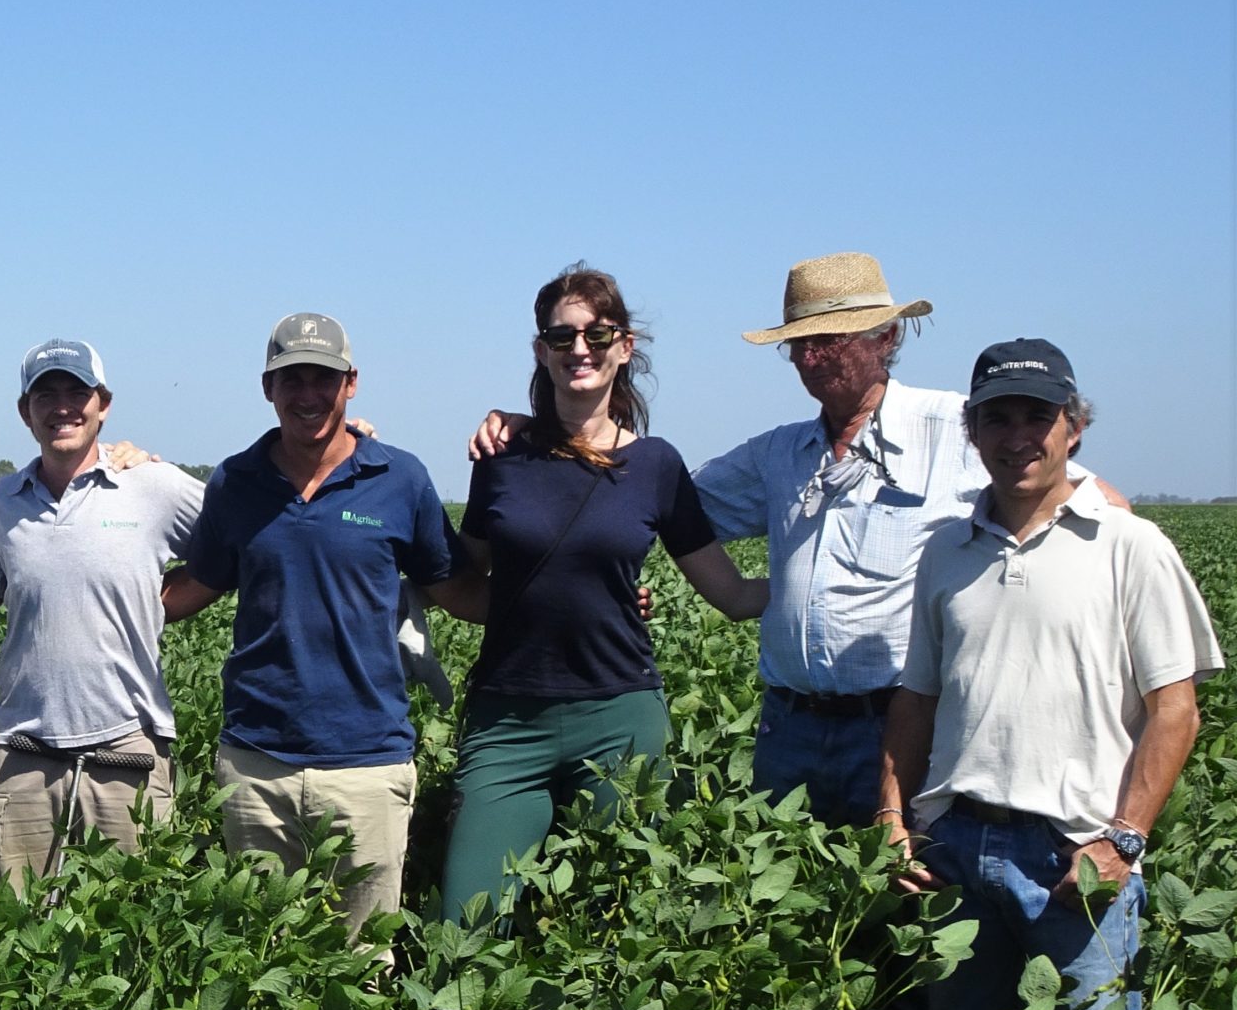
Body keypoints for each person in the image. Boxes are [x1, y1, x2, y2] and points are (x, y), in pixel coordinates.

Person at [470, 253, 1126, 828]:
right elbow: (635, 499)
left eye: (831, 340)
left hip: (899, 727)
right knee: (794, 924)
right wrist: (535, 435)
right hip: (790, 728)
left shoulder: (957, 429)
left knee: (892, 916)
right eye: (799, 344)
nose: (812, 359)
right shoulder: (777, 455)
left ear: (887, 337)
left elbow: (1087, 500)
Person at [878, 340, 1220, 1010]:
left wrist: (1123, 839)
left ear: (1075, 428)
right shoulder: (946, 551)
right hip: (958, 850)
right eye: (996, 418)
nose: (1018, 435)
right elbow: (916, 702)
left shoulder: (1131, 547)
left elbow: (1176, 711)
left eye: (1039, 415)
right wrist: (892, 818)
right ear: (972, 433)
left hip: (1076, 860)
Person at [438, 268, 767, 919]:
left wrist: (826, 580)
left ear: (625, 345)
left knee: (613, 935)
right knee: (466, 931)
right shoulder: (501, 458)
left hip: (621, 721)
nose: (579, 348)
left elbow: (732, 594)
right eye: (562, 336)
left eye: (598, 333)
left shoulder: (657, 466)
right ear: (541, 350)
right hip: (508, 723)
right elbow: (455, 582)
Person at [163, 313, 476, 939]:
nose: (307, 395)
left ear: (350, 383)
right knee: (257, 955)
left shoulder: (401, 478)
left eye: (323, 379)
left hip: (367, 761)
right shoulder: (235, 481)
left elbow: (454, 589)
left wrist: (581, 601)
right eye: (291, 379)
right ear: (267, 387)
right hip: (255, 759)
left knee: (361, 960)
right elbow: (194, 587)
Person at [0, 339, 202, 888]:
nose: (62, 406)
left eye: (78, 391)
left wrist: (165, 601)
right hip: (24, 752)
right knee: (18, 939)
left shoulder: (154, 486)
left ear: (104, 403)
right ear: (25, 411)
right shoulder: (3, 501)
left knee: (130, 938)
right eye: (45, 394)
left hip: (128, 750)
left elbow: (240, 540)